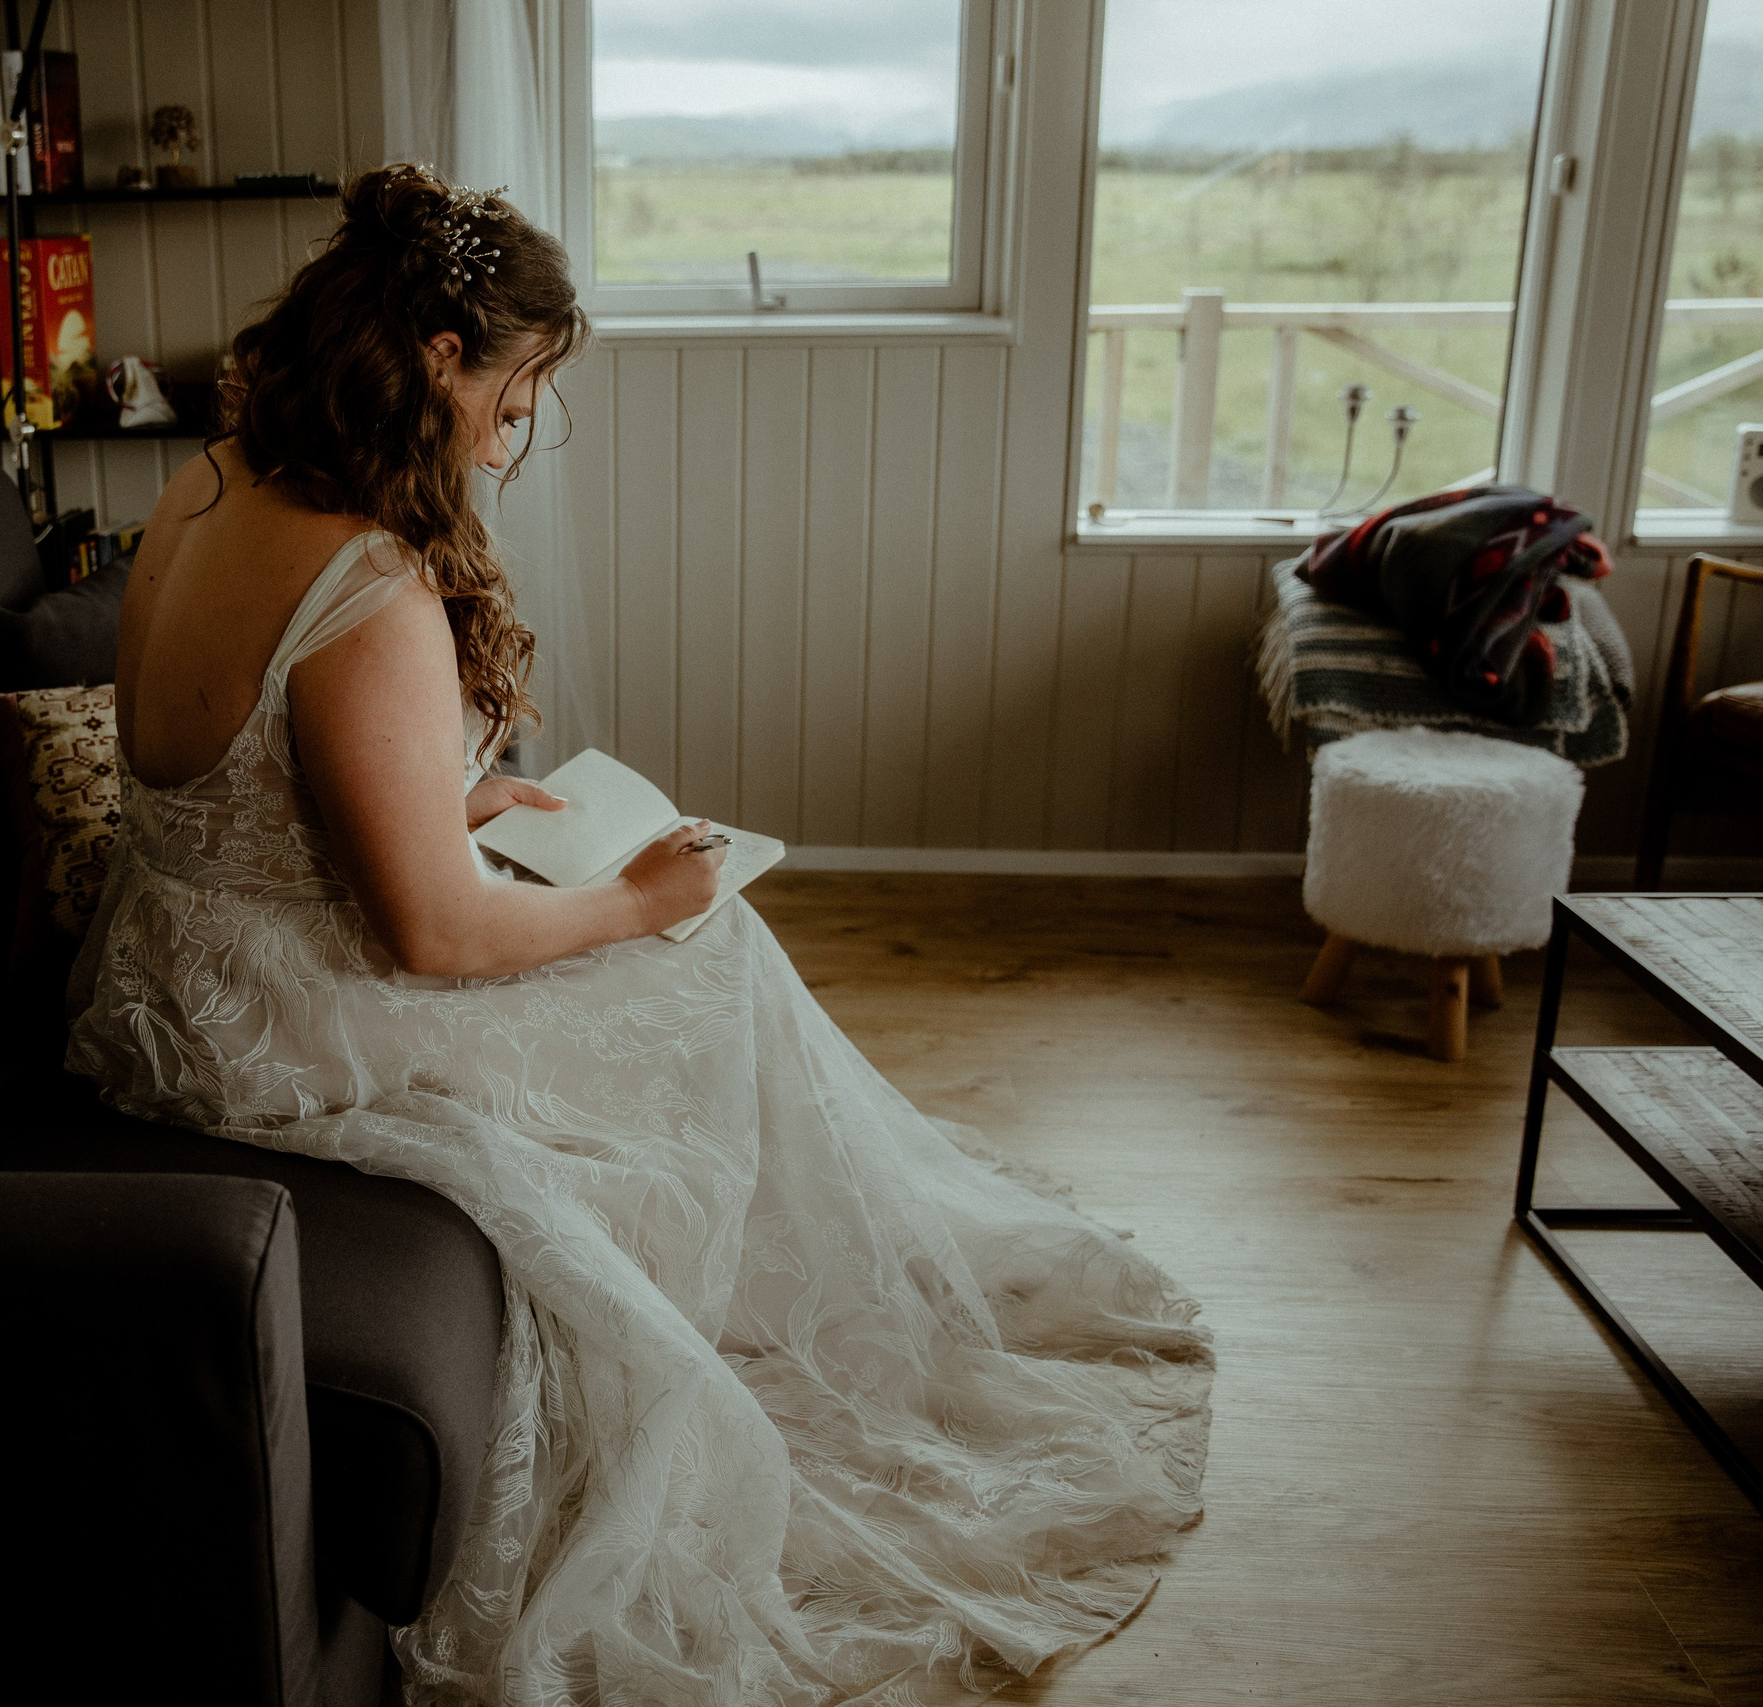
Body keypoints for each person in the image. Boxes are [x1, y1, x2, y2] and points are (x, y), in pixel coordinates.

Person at [66, 163, 1212, 1706]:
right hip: (287, 1022)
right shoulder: (369, 588)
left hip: (161, 971)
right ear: (435, 360)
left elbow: (227, 783)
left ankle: (760, 1282)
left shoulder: (206, 484)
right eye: (518, 391)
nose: (514, 433)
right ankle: (771, 1323)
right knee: (706, 945)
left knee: (639, 903)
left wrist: (447, 801)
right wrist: (634, 898)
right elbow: (434, 945)